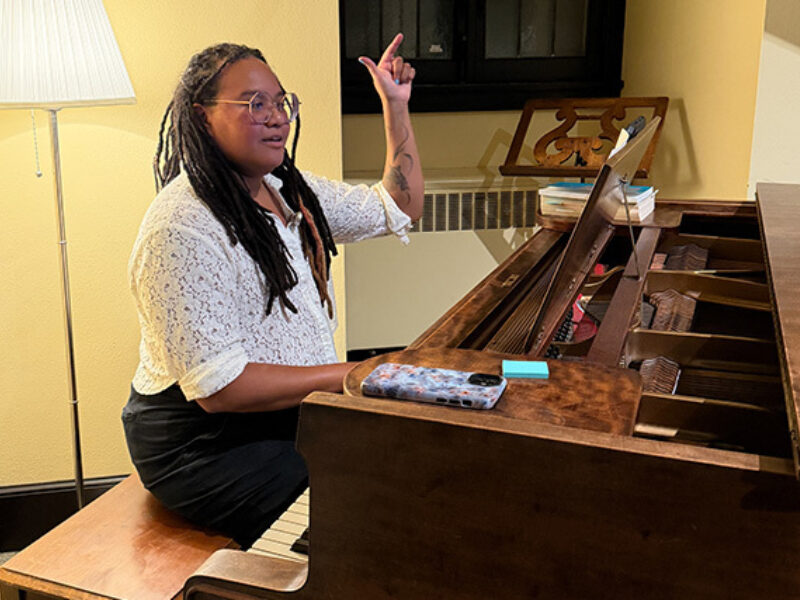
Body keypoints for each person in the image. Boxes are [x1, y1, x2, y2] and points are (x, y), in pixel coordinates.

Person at [122, 34, 422, 548]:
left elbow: (399, 205)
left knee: (411, 468)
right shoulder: (181, 227)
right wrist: (359, 373)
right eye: (254, 104)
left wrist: (395, 105)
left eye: (281, 102)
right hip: (204, 444)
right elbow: (221, 389)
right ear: (201, 117)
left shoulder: (287, 191)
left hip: (287, 414)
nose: (276, 118)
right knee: (366, 517)